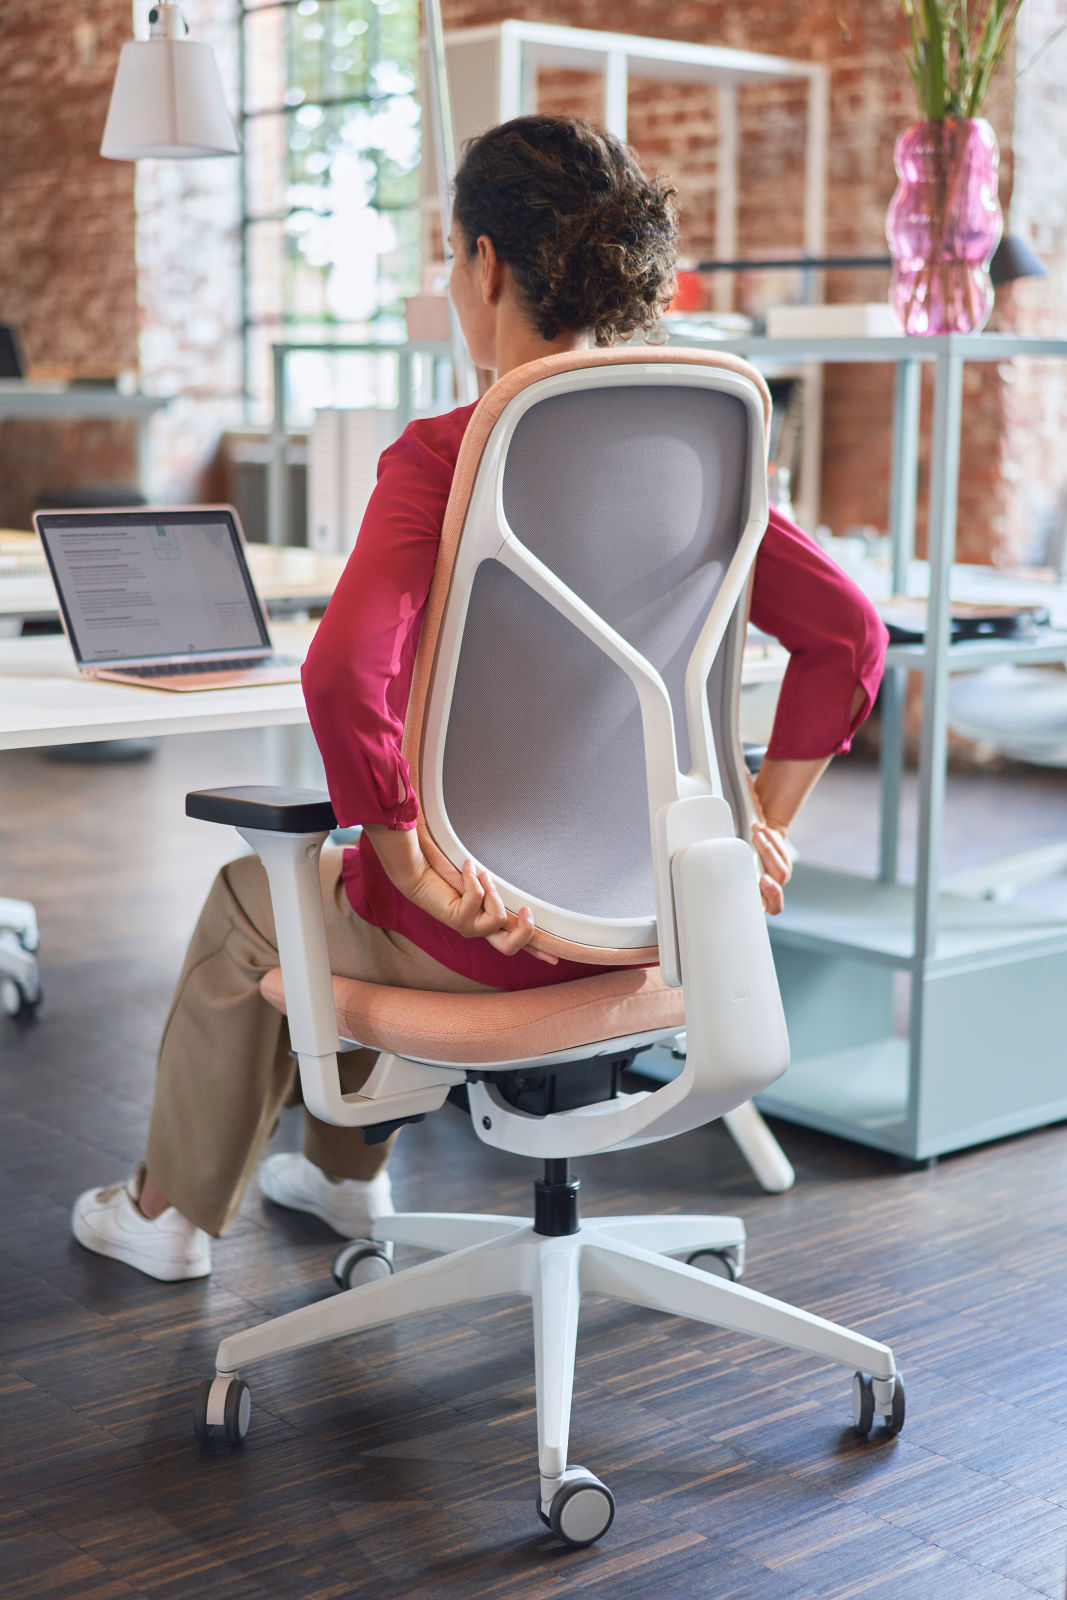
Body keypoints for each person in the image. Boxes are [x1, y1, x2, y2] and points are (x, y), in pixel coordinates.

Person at [72, 115, 887, 1282]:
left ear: (488, 263)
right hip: (666, 917)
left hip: (494, 935)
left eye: (450, 257)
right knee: (341, 880)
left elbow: (343, 676)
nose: (452, 283)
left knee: (256, 896)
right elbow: (848, 636)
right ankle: (342, 1180)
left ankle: (164, 1214)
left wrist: (409, 865)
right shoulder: (702, 448)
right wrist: (754, 824)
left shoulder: (449, 453)